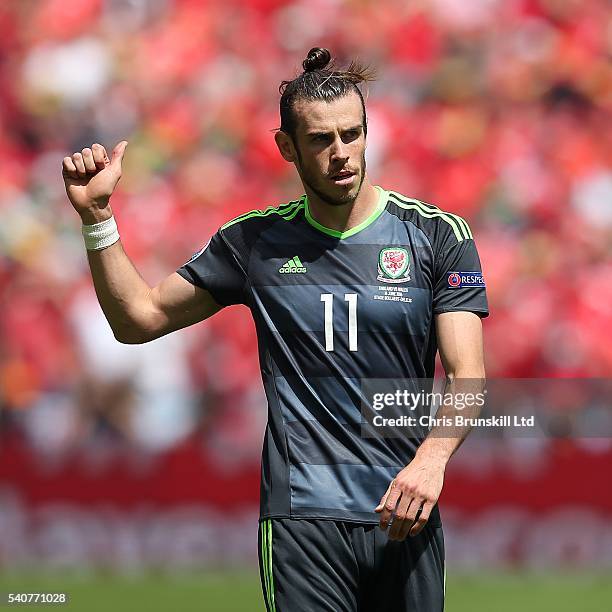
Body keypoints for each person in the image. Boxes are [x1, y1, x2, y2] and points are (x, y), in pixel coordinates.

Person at [62, 47, 488, 611]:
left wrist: (430, 462)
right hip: (302, 519)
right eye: (321, 140)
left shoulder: (436, 235)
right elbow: (138, 320)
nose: (342, 154)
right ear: (287, 147)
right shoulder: (254, 243)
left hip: (404, 509)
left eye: (353, 134)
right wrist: (97, 220)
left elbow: (468, 374)